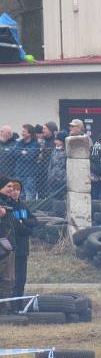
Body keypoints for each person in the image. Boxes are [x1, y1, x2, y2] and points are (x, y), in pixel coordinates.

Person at [0, 177, 36, 310]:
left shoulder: (22, 205)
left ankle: (16, 306)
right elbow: (15, 227)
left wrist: (24, 222)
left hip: (18, 247)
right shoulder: (7, 204)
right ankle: (8, 307)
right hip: (7, 247)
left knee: (18, 279)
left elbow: (34, 222)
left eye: (16, 189)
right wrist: (23, 225)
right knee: (8, 279)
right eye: (9, 187)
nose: (13, 191)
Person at [0, 177, 16, 313]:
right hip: (3, 247)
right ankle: (5, 308)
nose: (11, 189)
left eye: (12, 186)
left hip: (7, 246)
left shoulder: (8, 202)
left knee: (8, 278)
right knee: (7, 278)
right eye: (8, 186)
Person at [12, 124, 39, 201]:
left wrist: (21, 153)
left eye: (24, 131)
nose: (22, 133)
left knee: (30, 194)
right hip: (19, 173)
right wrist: (23, 152)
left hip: (29, 174)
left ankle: (30, 210)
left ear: (29, 133)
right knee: (19, 194)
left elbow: (30, 156)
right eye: (22, 131)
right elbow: (14, 154)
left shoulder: (35, 144)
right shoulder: (20, 142)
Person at [46, 131, 68, 197]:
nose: (55, 142)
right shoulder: (54, 150)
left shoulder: (66, 151)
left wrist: (64, 178)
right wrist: (49, 174)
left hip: (62, 180)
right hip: (52, 179)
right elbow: (51, 164)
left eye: (57, 140)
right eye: (55, 140)